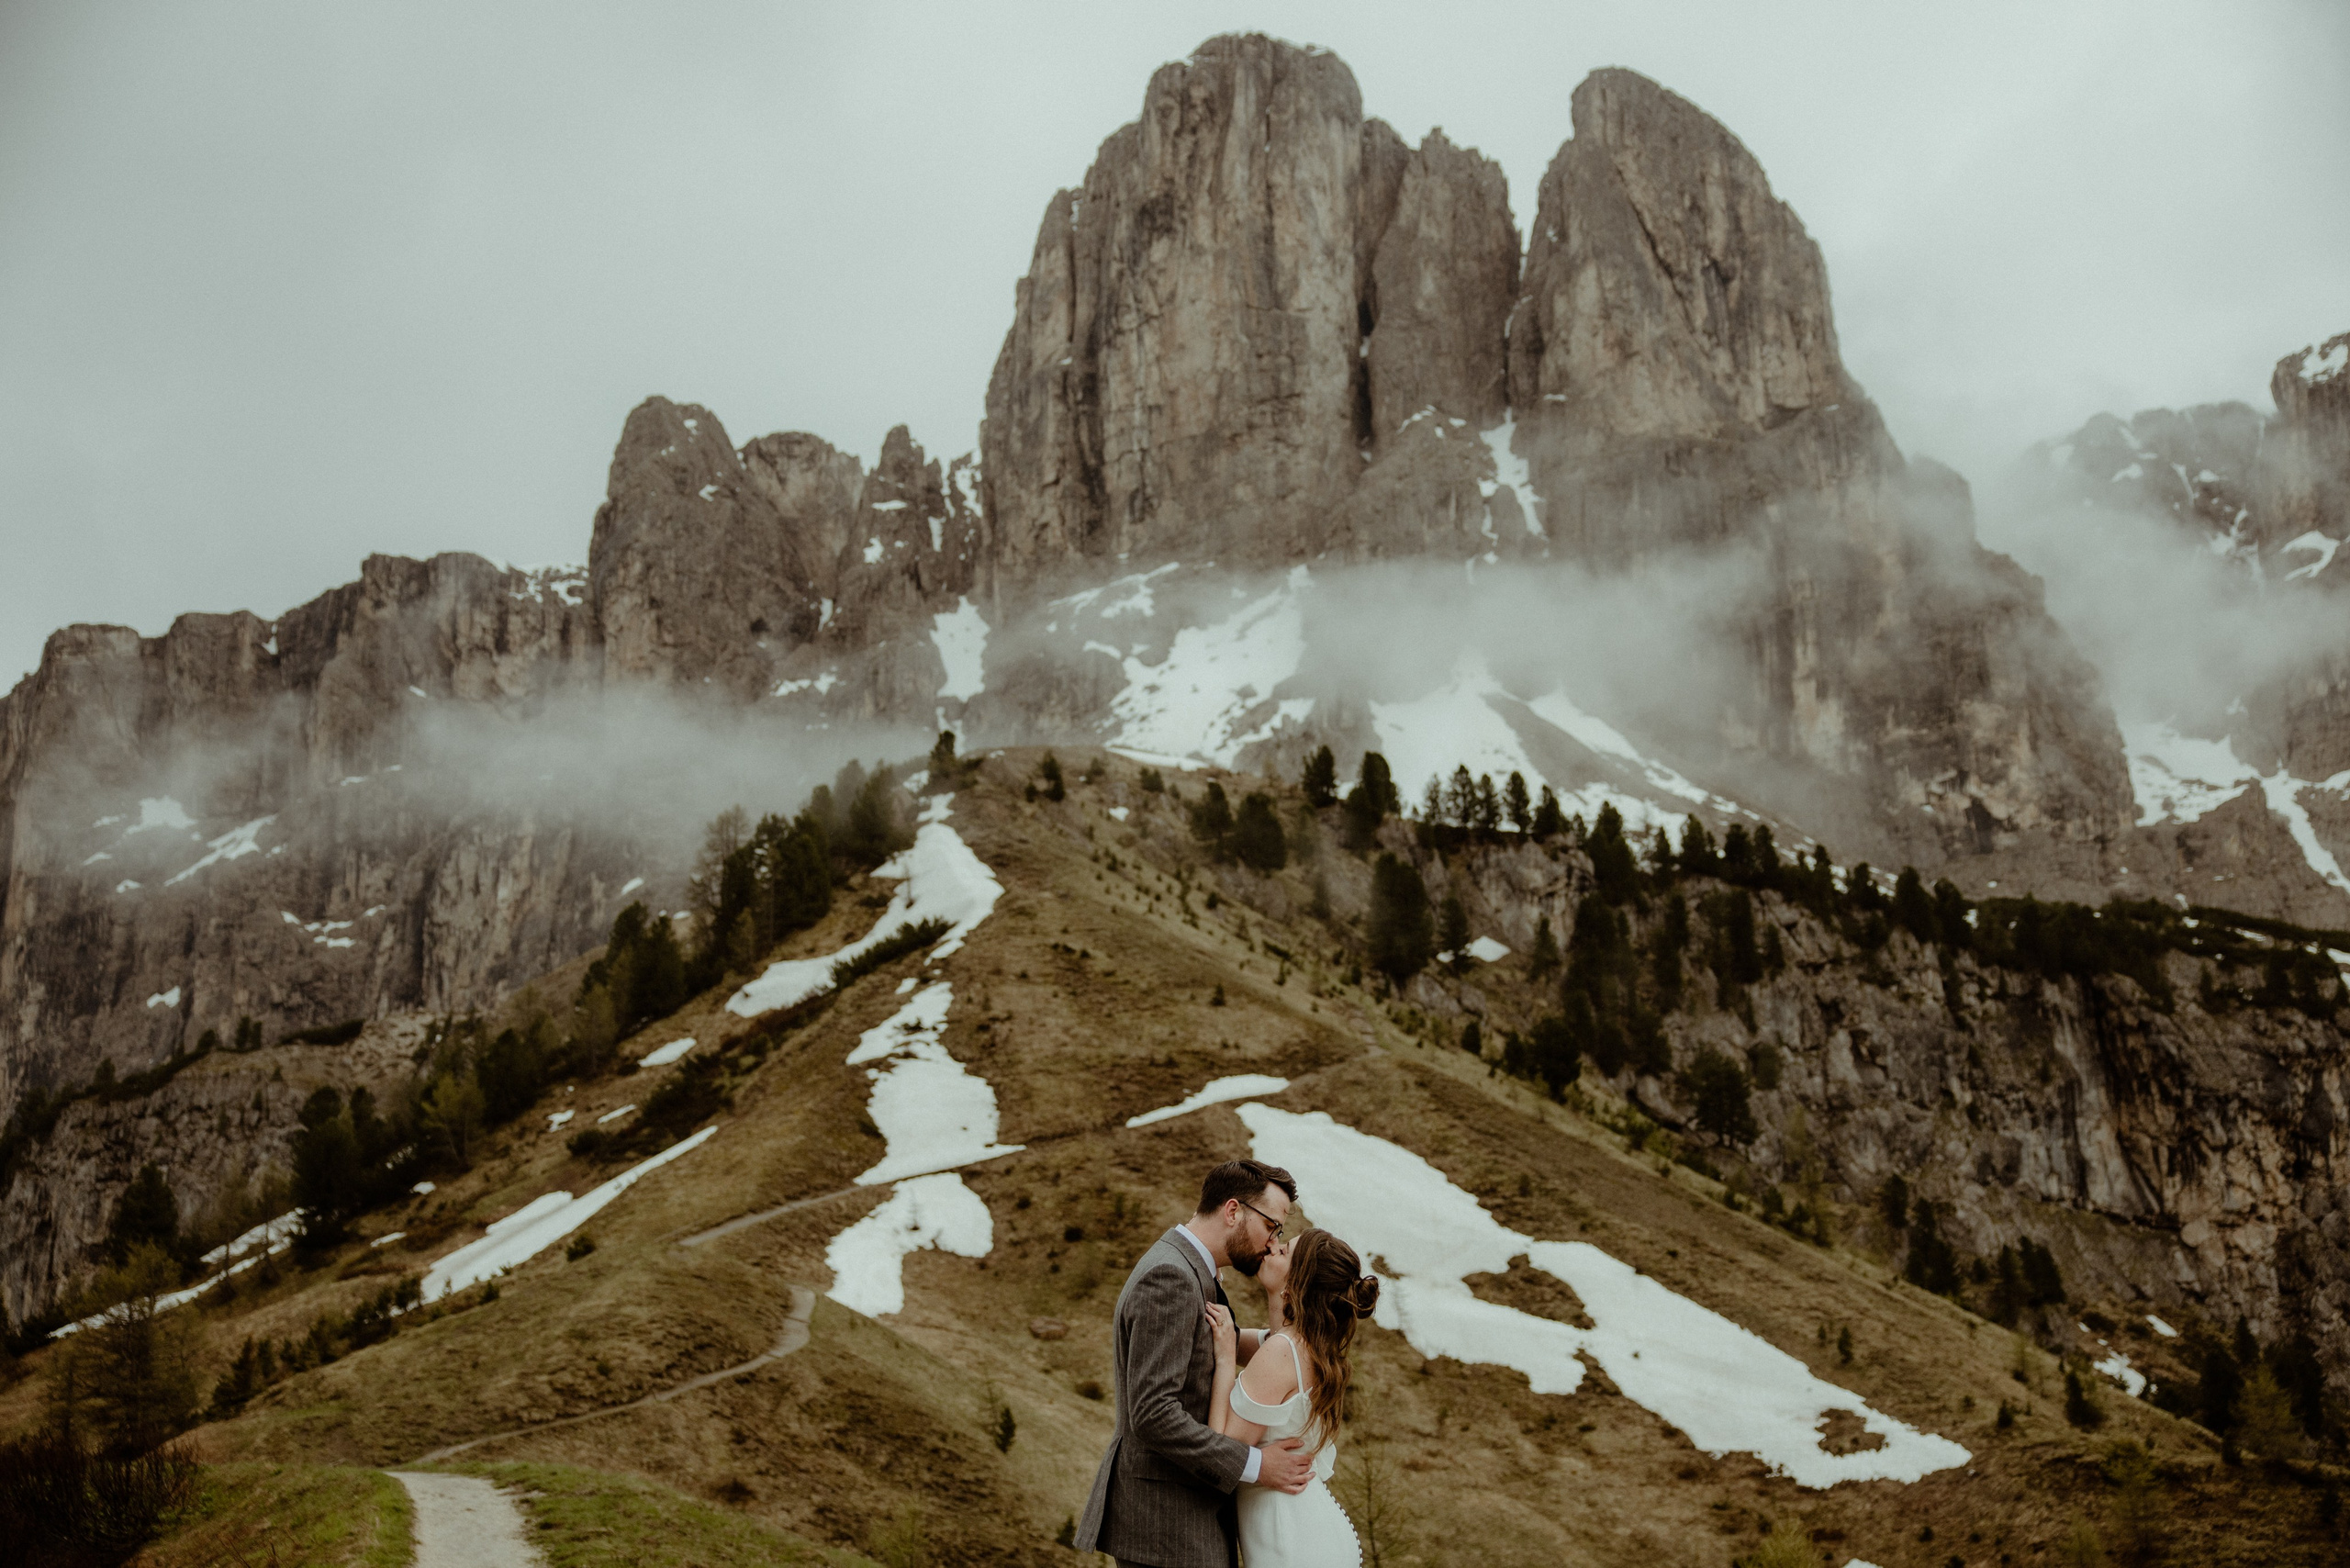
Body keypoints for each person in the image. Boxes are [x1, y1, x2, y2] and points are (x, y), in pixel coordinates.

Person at [1075, 1159, 1316, 1567]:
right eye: (1271, 1226)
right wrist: (1258, 1466)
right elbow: (1153, 1415)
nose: (1273, 1241)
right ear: (1234, 1211)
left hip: (1181, 1518)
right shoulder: (1170, 1276)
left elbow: (1222, 1342)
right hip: (1166, 1524)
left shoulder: (1193, 1269)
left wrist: (1297, 1341)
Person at [1203, 1226, 1377, 1567]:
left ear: (1300, 1283)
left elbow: (1219, 1450)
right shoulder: (1310, 1347)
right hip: (1310, 1530)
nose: (1272, 1247)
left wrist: (1225, 1360)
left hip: (1291, 1542)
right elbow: (1247, 1339)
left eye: (1284, 1251)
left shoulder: (1283, 1351)